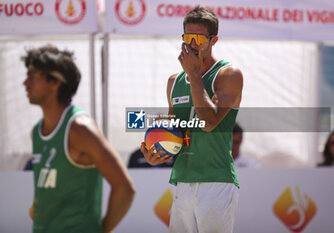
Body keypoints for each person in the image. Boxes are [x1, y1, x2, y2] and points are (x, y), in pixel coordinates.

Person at [141, 7, 243, 233]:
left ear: (213, 40)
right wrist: (157, 152)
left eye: (198, 38)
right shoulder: (173, 81)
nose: (192, 44)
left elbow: (208, 122)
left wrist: (195, 75)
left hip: (217, 181)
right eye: (187, 38)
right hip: (183, 182)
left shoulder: (229, 75)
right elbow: (173, 131)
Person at [22, 45, 135, 233]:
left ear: (55, 82)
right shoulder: (37, 131)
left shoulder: (80, 128)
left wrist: (102, 230)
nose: (25, 83)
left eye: (32, 77)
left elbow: (125, 188)